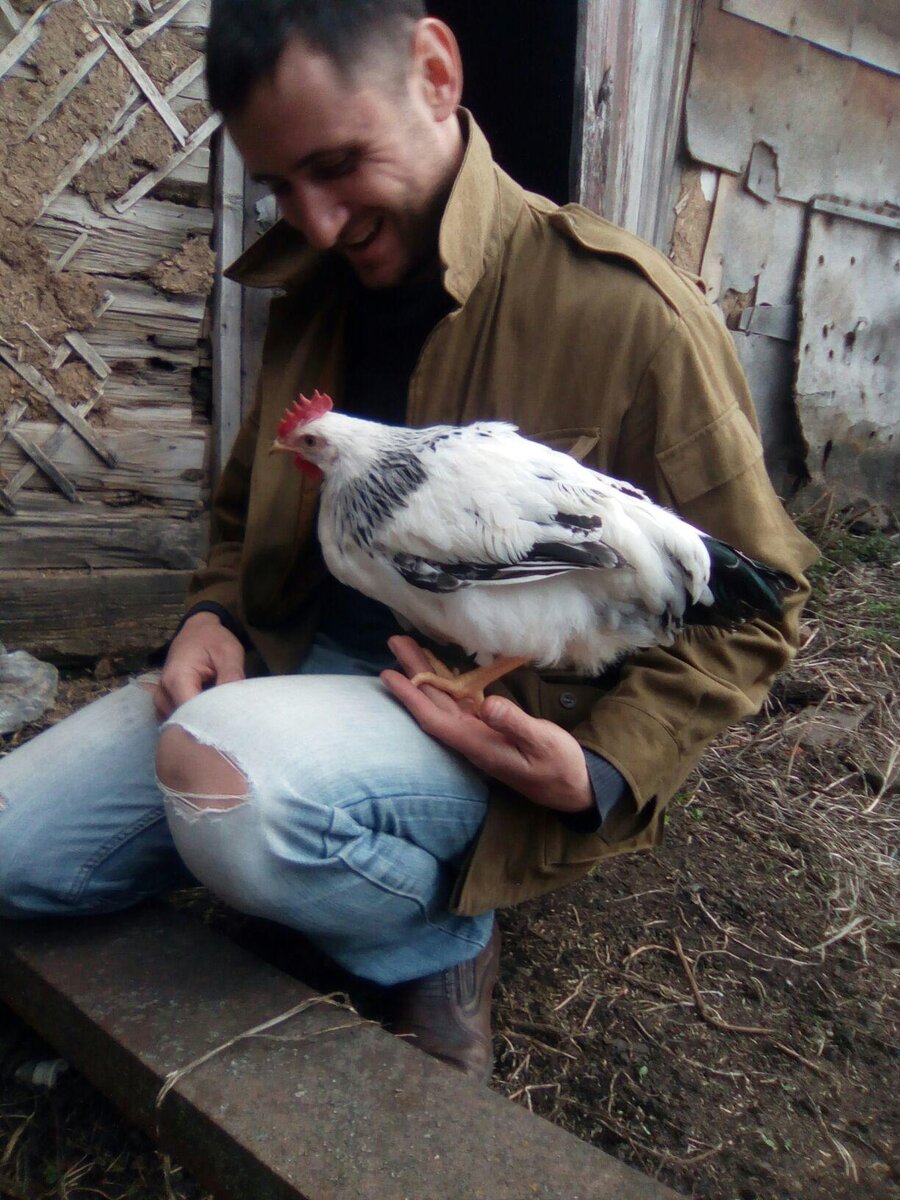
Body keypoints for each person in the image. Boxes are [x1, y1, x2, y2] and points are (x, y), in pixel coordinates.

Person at [0, 0, 817, 1082]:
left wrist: (604, 767)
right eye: (284, 186)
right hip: (294, 674)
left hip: (483, 714)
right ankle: (296, 845)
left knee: (223, 797)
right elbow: (245, 507)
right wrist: (212, 609)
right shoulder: (309, 293)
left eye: (337, 164)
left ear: (435, 71)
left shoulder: (630, 316)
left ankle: (434, 945)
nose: (319, 219)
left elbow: (763, 608)